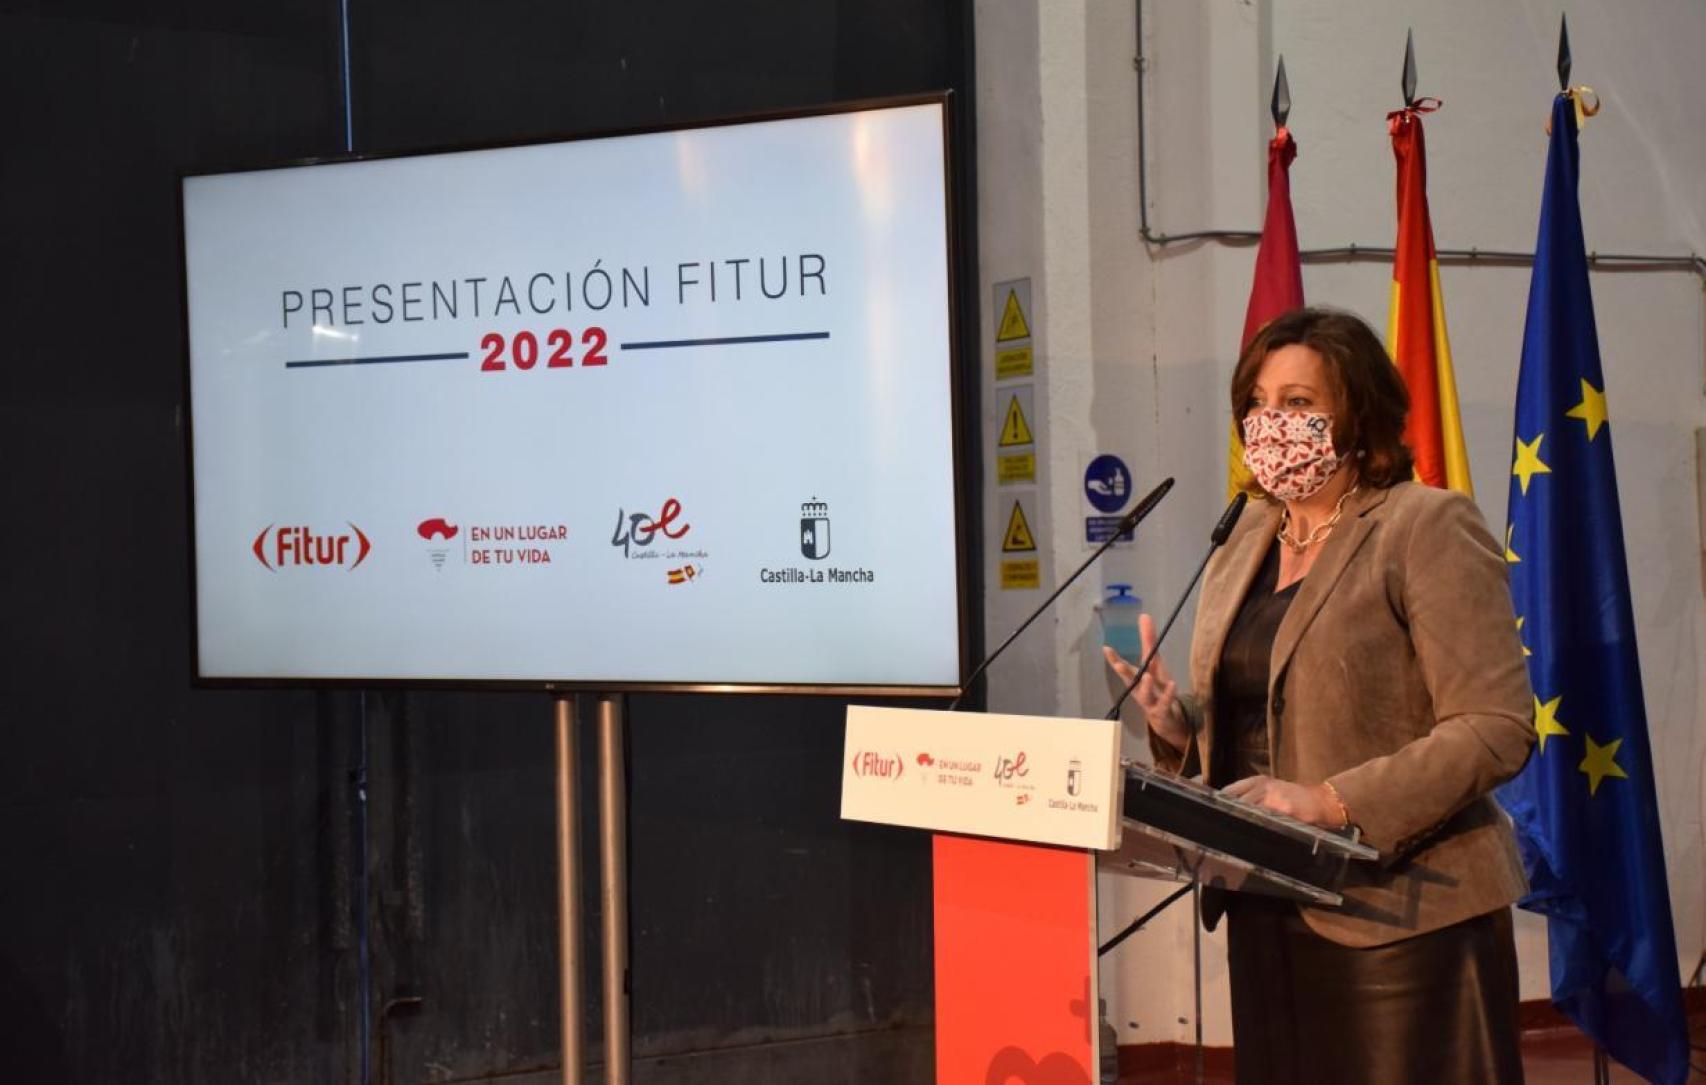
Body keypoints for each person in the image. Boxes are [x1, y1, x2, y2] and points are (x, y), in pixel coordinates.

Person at [1104, 307, 1535, 1084]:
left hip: (1402, 921)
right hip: (1266, 901)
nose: (1271, 423)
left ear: (1357, 415)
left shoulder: (1424, 525)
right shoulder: (1244, 538)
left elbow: (1495, 725)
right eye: (1258, 402)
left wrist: (1331, 801)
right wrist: (1178, 726)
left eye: (1298, 403)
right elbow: (1268, 712)